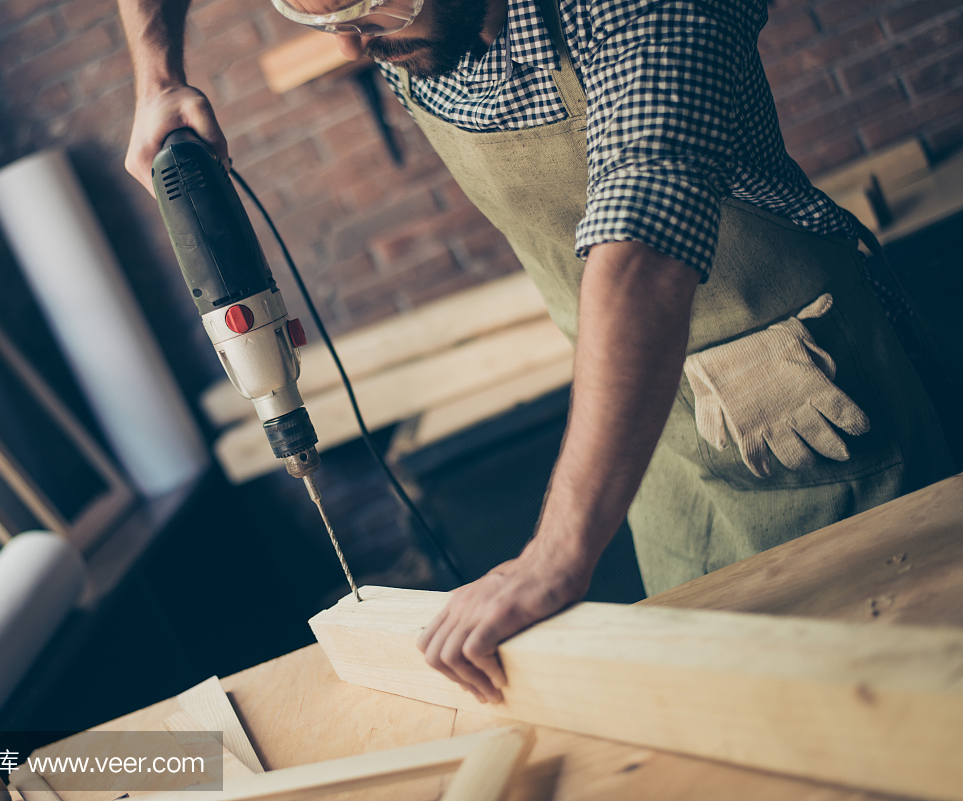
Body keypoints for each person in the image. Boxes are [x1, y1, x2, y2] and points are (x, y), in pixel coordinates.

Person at [115, 0, 955, 706]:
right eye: (312, 11)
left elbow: (643, 243)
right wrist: (156, 75)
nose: (348, 43)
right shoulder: (400, 15)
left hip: (810, 406)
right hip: (647, 440)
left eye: (373, 5)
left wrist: (554, 555)